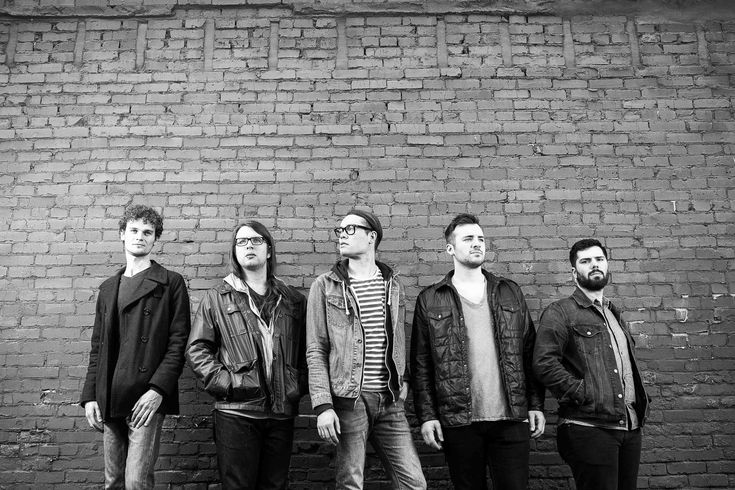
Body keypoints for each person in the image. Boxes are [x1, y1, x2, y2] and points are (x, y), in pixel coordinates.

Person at [410, 213, 545, 490]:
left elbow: (528, 350)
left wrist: (535, 404)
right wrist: (427, 416)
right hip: (459, 419)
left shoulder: (509, 292)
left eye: (481, 239)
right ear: (450, 248)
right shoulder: (431, 298)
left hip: (511, 416)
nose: (477, 244)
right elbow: (421, 364)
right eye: (468, 238)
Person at [306, 209, 426, 490]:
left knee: (414, 483)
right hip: (350, 401)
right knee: (351, 483)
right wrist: (323, 405)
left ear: (371, 236)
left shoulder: (393, 285)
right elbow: (316, 349)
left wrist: (404, 380)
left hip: (390, 400)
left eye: (350, 230)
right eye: (339, 231)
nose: (341, 237)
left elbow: (399, 338)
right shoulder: (325, 286)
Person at [186, 221, 307, 490]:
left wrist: (297, 385)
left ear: (269, 250)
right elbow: (197, 350)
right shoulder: (217, 298)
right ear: (234, 252)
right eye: (241, 242)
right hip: (235, 413)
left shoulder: (293, 300)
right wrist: (227, 384)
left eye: (256, 240)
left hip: (280, 413)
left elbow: (308, 352)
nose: (249, 246)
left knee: (275, 486)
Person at [80, 204, 191, 489]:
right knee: (113, 481)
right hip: (109, 394)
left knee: (136, 483)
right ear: (122, 234)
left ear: (156, 239)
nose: (140, 236)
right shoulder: (108, 288)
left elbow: (178, 343)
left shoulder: (171, 283)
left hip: (145, 396)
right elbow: (98, 347)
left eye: (147, 232)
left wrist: (157, 391)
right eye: (134, 230)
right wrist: (91, 394)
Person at [533, 239, 650, 490]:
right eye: (585, 261)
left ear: (607, 266)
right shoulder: (561, 312)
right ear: (574, 272)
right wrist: (583, 393)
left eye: (599, 259)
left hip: (628, 426)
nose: (594, 265)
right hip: (589, 427)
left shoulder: (613, 313)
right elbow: (543, 363)